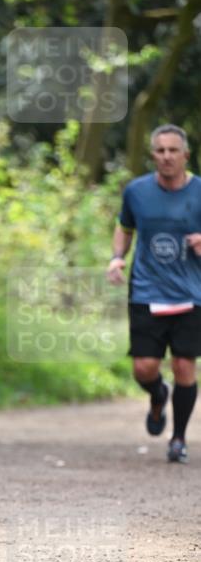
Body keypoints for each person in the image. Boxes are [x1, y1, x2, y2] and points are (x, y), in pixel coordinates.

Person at [107, 124, 201, 463]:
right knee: (144, 369)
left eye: (173, 150)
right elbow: (125, 226)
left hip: (191, 294)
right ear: (153, 156)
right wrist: (118, 257)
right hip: (147, 290)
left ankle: (178, 439)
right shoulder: (136, 192)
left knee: (183, 366)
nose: (166, 157)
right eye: (160, 151)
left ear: (186, 155)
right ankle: (157, 394)